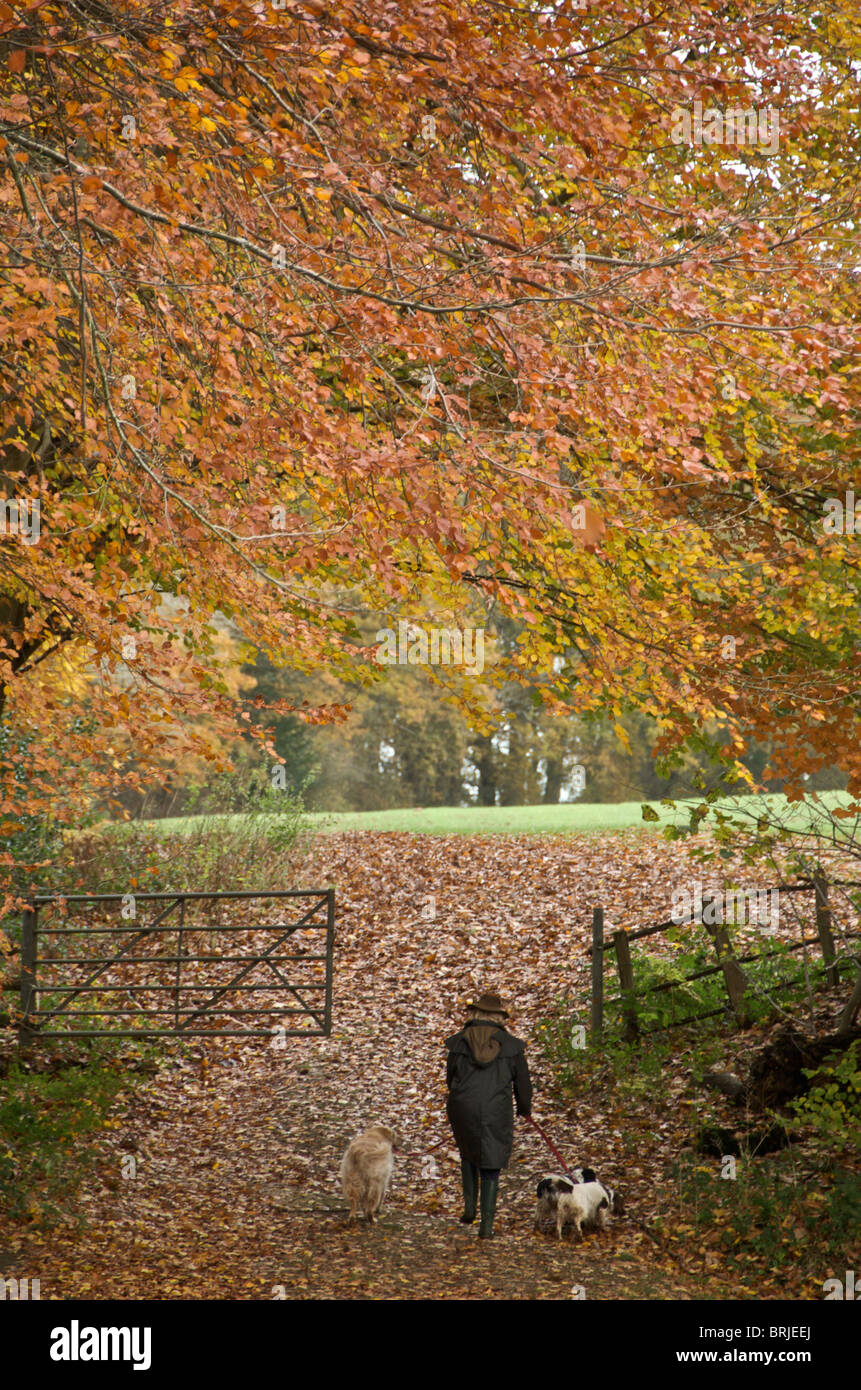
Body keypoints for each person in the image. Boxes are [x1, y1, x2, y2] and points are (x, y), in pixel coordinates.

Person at [444, 991, 532, 1239]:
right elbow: (523, 1083)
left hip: (463, 1106)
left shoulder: (460, 1042)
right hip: (496, 1109)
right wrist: (524, 1108)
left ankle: (470, 1208)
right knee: (491, 1158)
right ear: (498, 1017)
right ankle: (487, 1226)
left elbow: (451, 1076)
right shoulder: (512, 1046)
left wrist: (458, 1098)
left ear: (477, 1014)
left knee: (469, 1149)